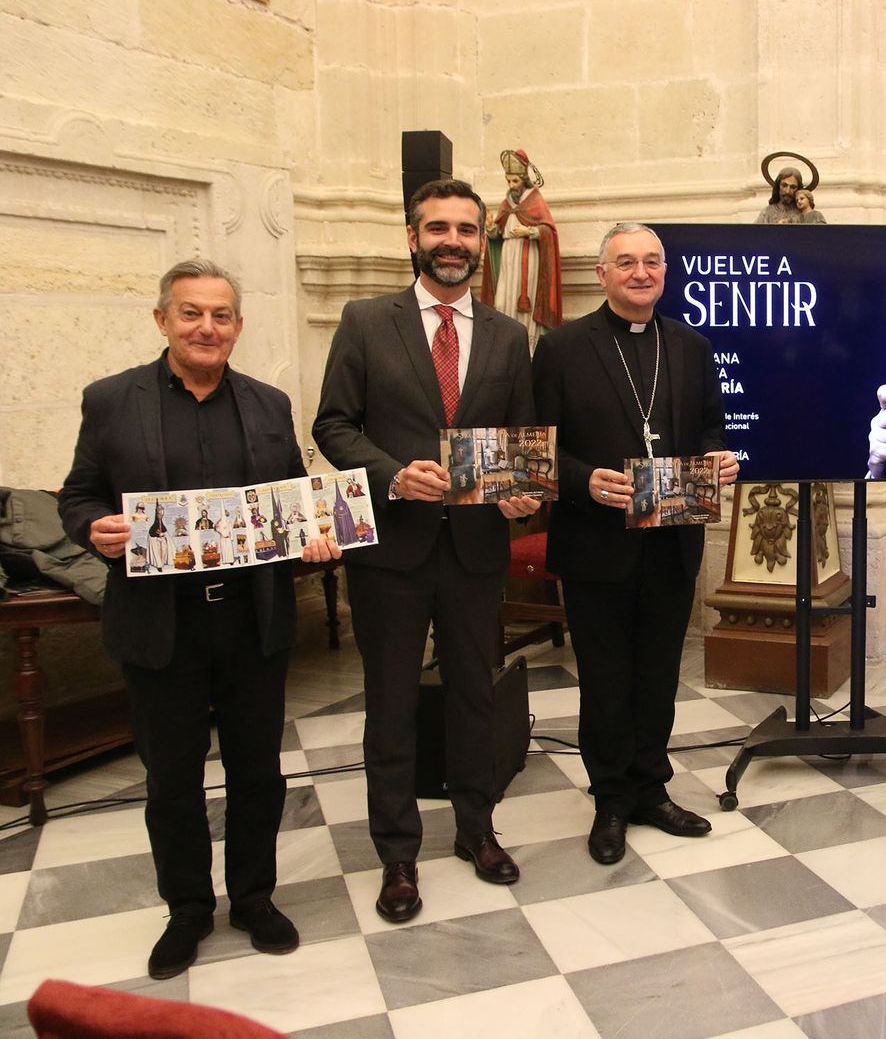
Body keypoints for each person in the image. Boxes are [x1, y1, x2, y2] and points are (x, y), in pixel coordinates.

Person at [58, 259, 342, 980]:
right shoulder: (112, 400)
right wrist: (95, 528)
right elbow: (79, 496)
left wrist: (314, 529)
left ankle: (253, 896)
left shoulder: (269, 403)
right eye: (191, 314)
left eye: (221, 316)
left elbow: (294, 500)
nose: (207, 327)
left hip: (252, 619)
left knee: (258, 771)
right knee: (172, 778)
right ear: (163, 320)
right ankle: (187, 909)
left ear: (238, 327)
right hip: (162, 624)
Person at [313, 178, 541, 923]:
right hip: (391, 550)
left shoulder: (508, 336)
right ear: (412, 238)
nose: (453, 241)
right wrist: (391, 474)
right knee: (391, 704)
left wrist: (520, 490)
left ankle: (476, 829)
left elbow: (517, 443)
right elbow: (334, 425)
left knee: (477, 694)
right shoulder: (365, 321)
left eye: (467, 230)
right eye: (437, 228)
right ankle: (397, 853)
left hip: (475, 548)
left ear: (482, 242)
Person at [531, 223, 739, 865]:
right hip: (595, 545)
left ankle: (652, 789)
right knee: (605, 679)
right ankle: (611, 801)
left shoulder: (692, 346)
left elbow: (708, 427)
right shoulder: (562, 349)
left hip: (671, 542)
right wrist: (580, 482)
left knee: (657, 677)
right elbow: (536, 446)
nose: (641, 272)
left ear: (665, 271)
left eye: (652, 261)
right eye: (626, 262)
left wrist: (717, 459)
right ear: (603, 273)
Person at [481, 148, 562, 352]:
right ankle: (505, 342)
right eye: (508, 180)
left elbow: (549, 231)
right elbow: (496, 235)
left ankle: (527, 345)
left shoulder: (535, 201)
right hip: (508, 256)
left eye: (515, 181)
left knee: (525, 305)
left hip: (529, 257)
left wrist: (531, 230)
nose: (511, 185)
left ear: (524, 180)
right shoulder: (505, 204)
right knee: (503, 300)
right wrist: (491, 228)